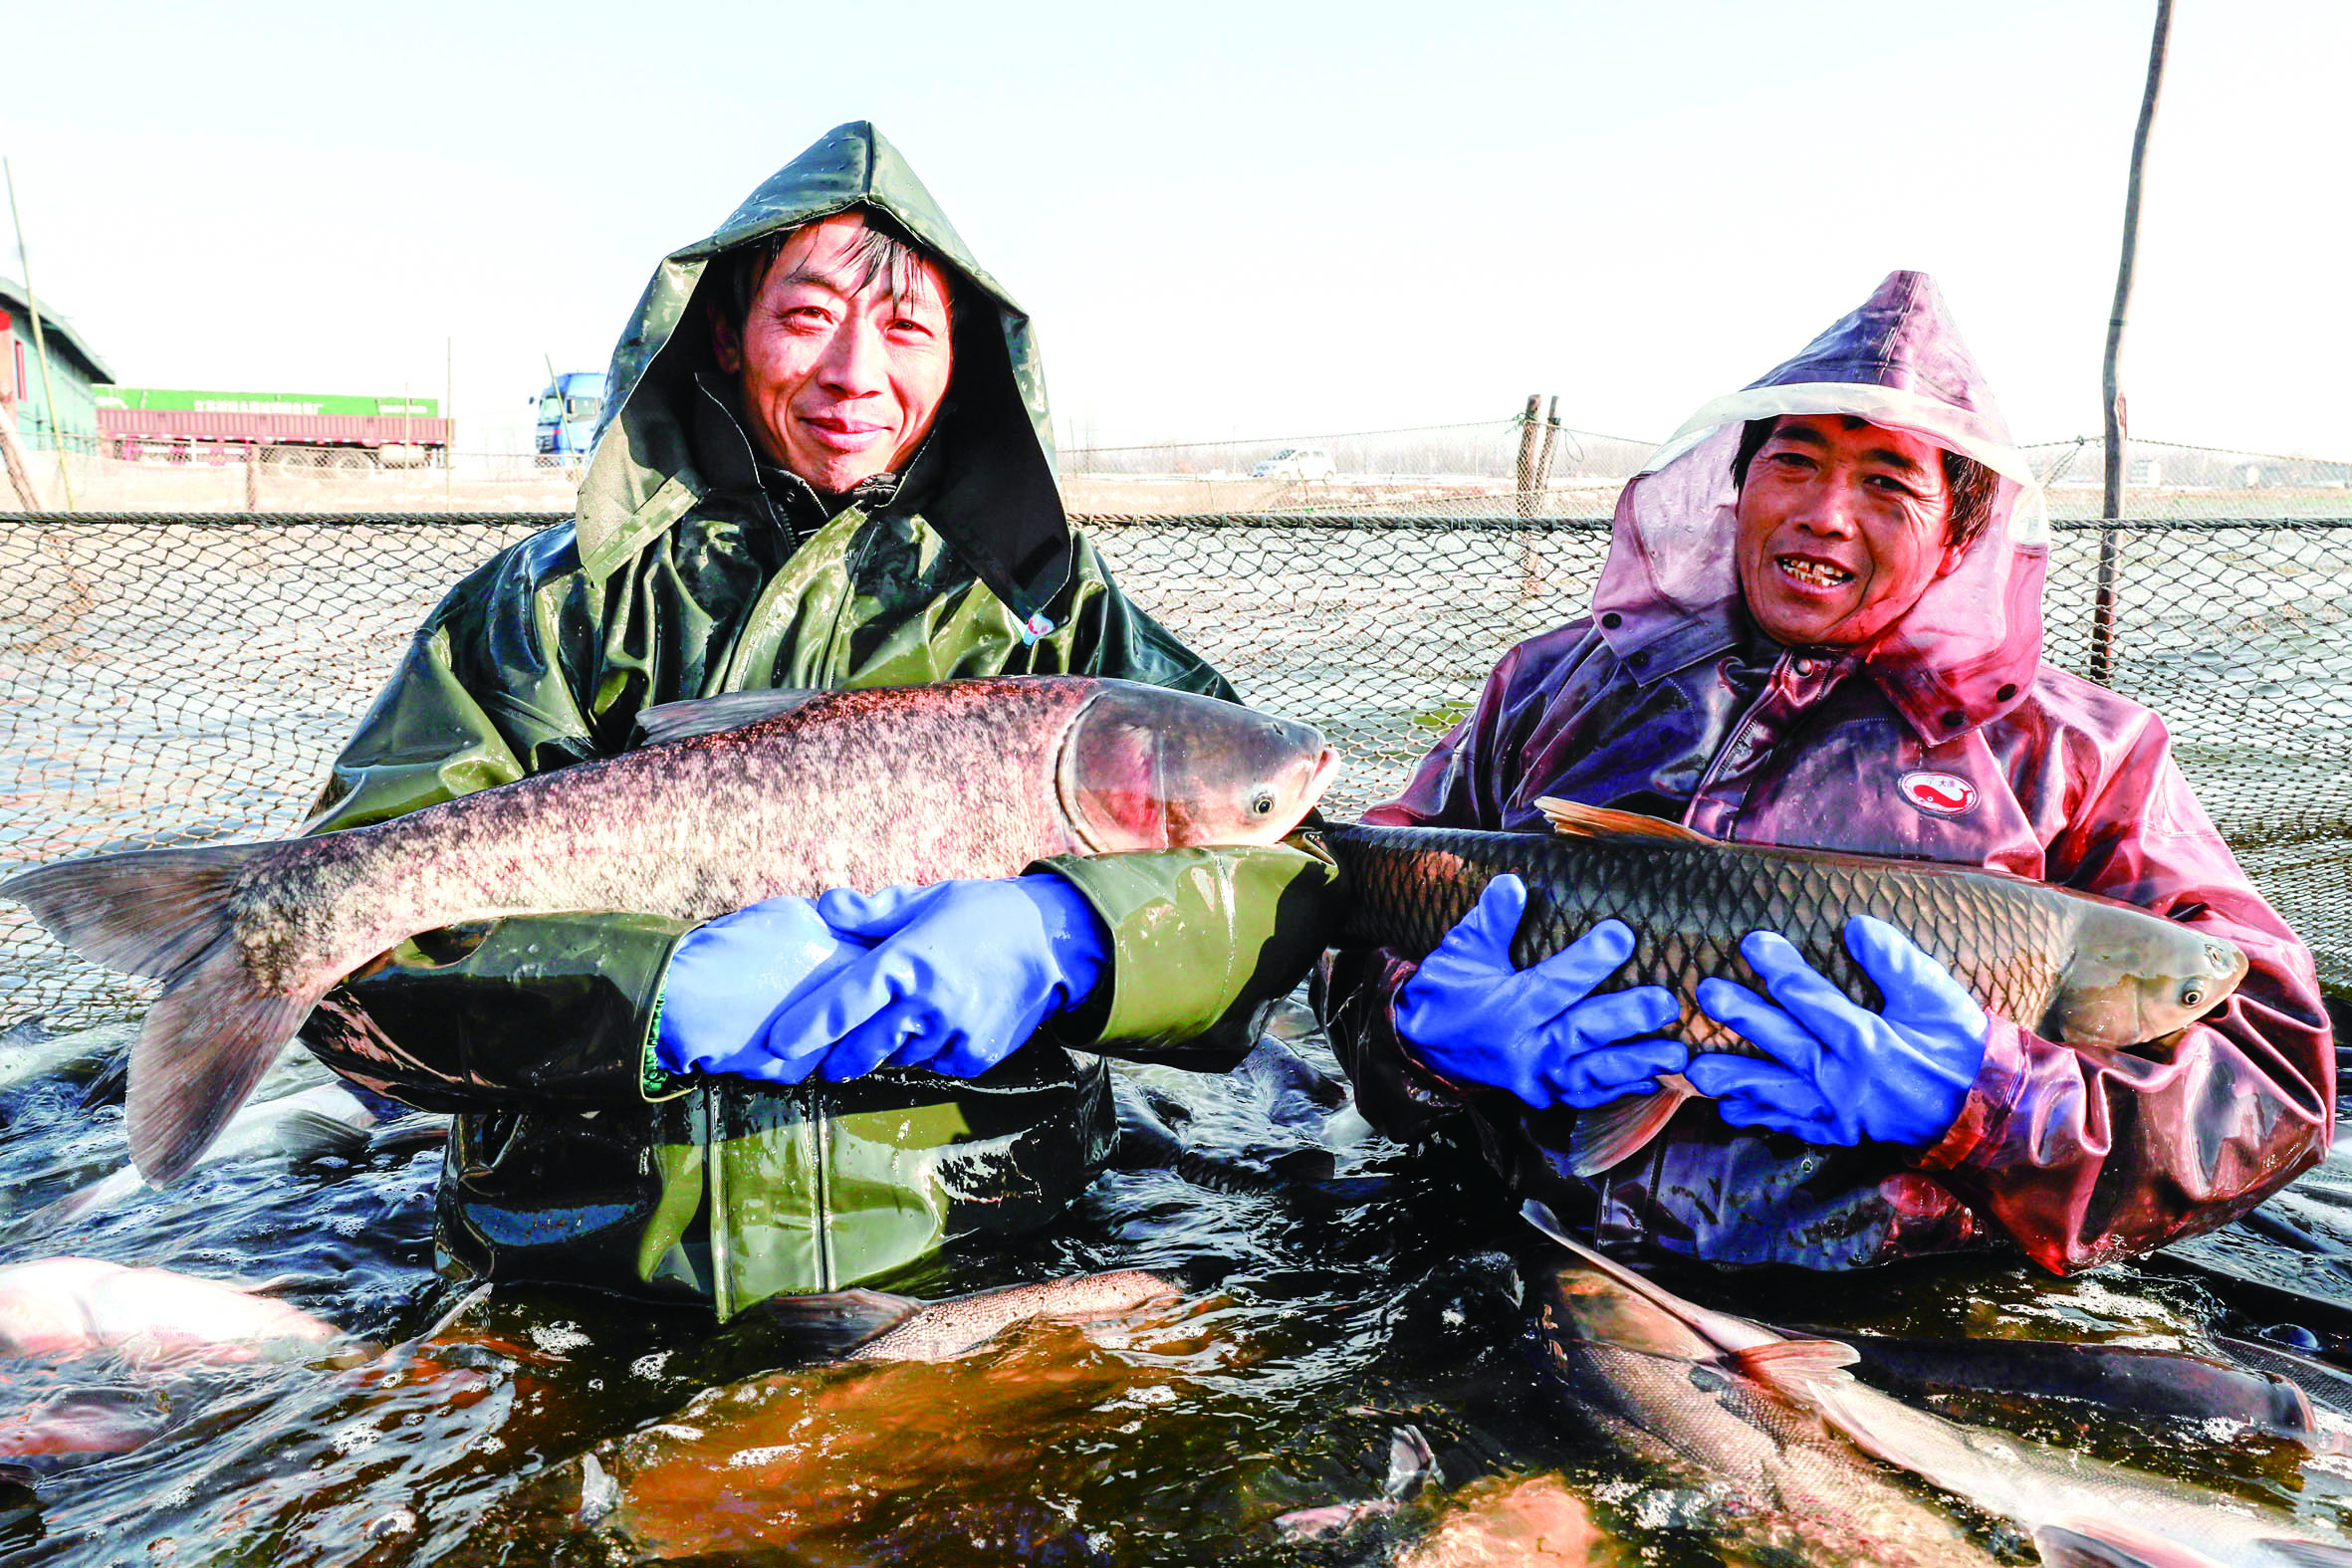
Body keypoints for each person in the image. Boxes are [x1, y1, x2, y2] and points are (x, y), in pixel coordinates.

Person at [296, 122, 1335, 1318]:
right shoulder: (548, 606)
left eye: (906, 332)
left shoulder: (1053, 610)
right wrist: (648, 993)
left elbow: (1292, 875)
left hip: (984, 1256)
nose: (855, 373)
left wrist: (1082, 938)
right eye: (806, 319)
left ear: (967, 364)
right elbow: (358, 971)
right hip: (584, 1276)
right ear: (728, 333)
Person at [1323, 272, 2332, 1274]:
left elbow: (2276, 1085)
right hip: (1518, 1249)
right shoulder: (1553, 683)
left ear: (1958, 531)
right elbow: (1346, 923)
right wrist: (1417, 1040)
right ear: (1739, 481)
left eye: (1886, 483)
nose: (1823, 513)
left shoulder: (2084, 751)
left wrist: (1986, 1103)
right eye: (1793, 463)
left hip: (1891, 1301)